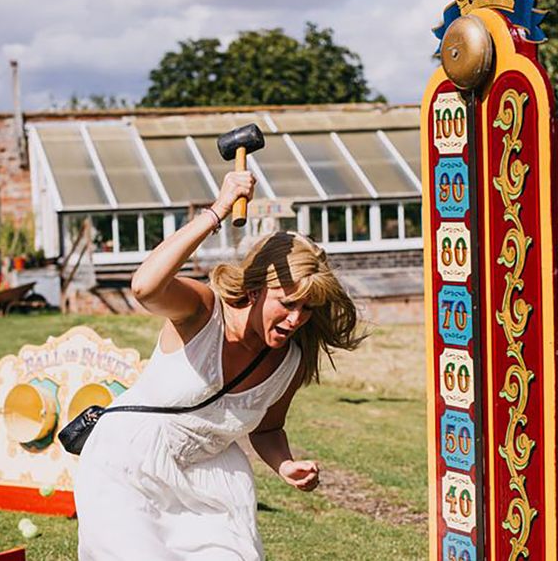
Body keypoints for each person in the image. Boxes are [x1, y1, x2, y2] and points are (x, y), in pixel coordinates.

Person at [74, 170, 364, 560]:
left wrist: (285, 465)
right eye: (288, 303)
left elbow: (269, 428)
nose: (297, 319)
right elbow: (145, 286)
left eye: (307, 308)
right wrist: (218, 210)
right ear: (256, 289)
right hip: (128, 462)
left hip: (210, 479)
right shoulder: (203, 311)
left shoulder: (289, 361)